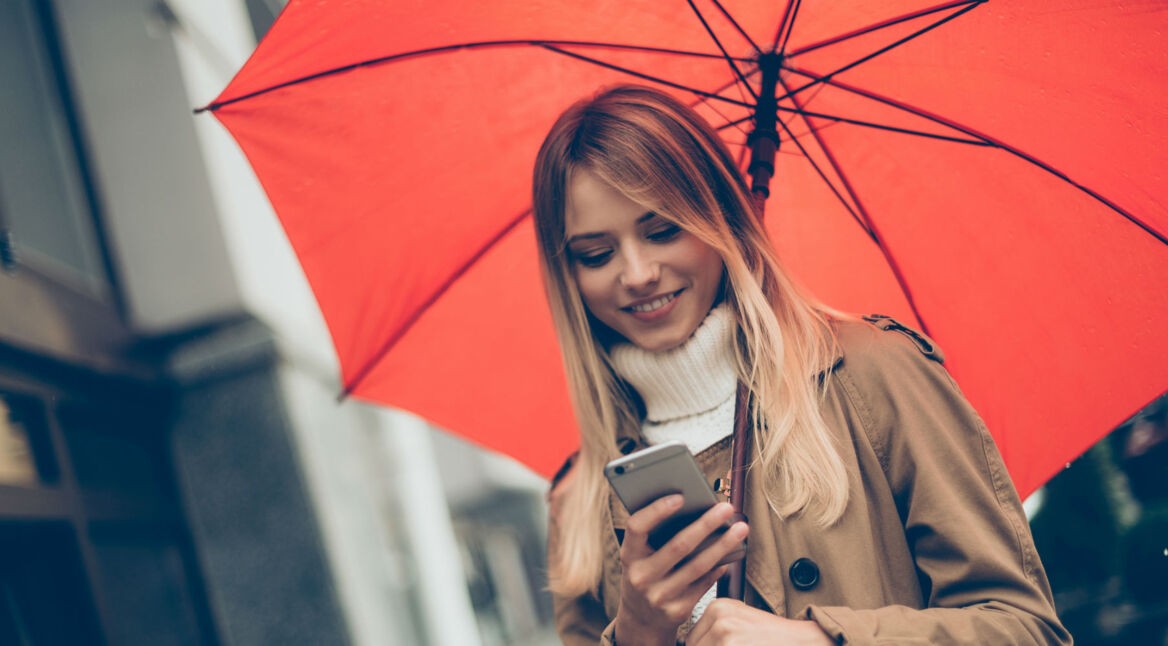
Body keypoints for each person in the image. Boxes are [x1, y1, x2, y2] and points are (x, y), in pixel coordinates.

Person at [532, 84, 1071, 646]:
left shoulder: (873, 378)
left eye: (663, 229)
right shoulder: (580, 501)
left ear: (721, 220)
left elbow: (1025, 629)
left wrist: (819, 640)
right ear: (567, 275)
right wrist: (637, 635)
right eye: (596, 254)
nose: (638, 273)